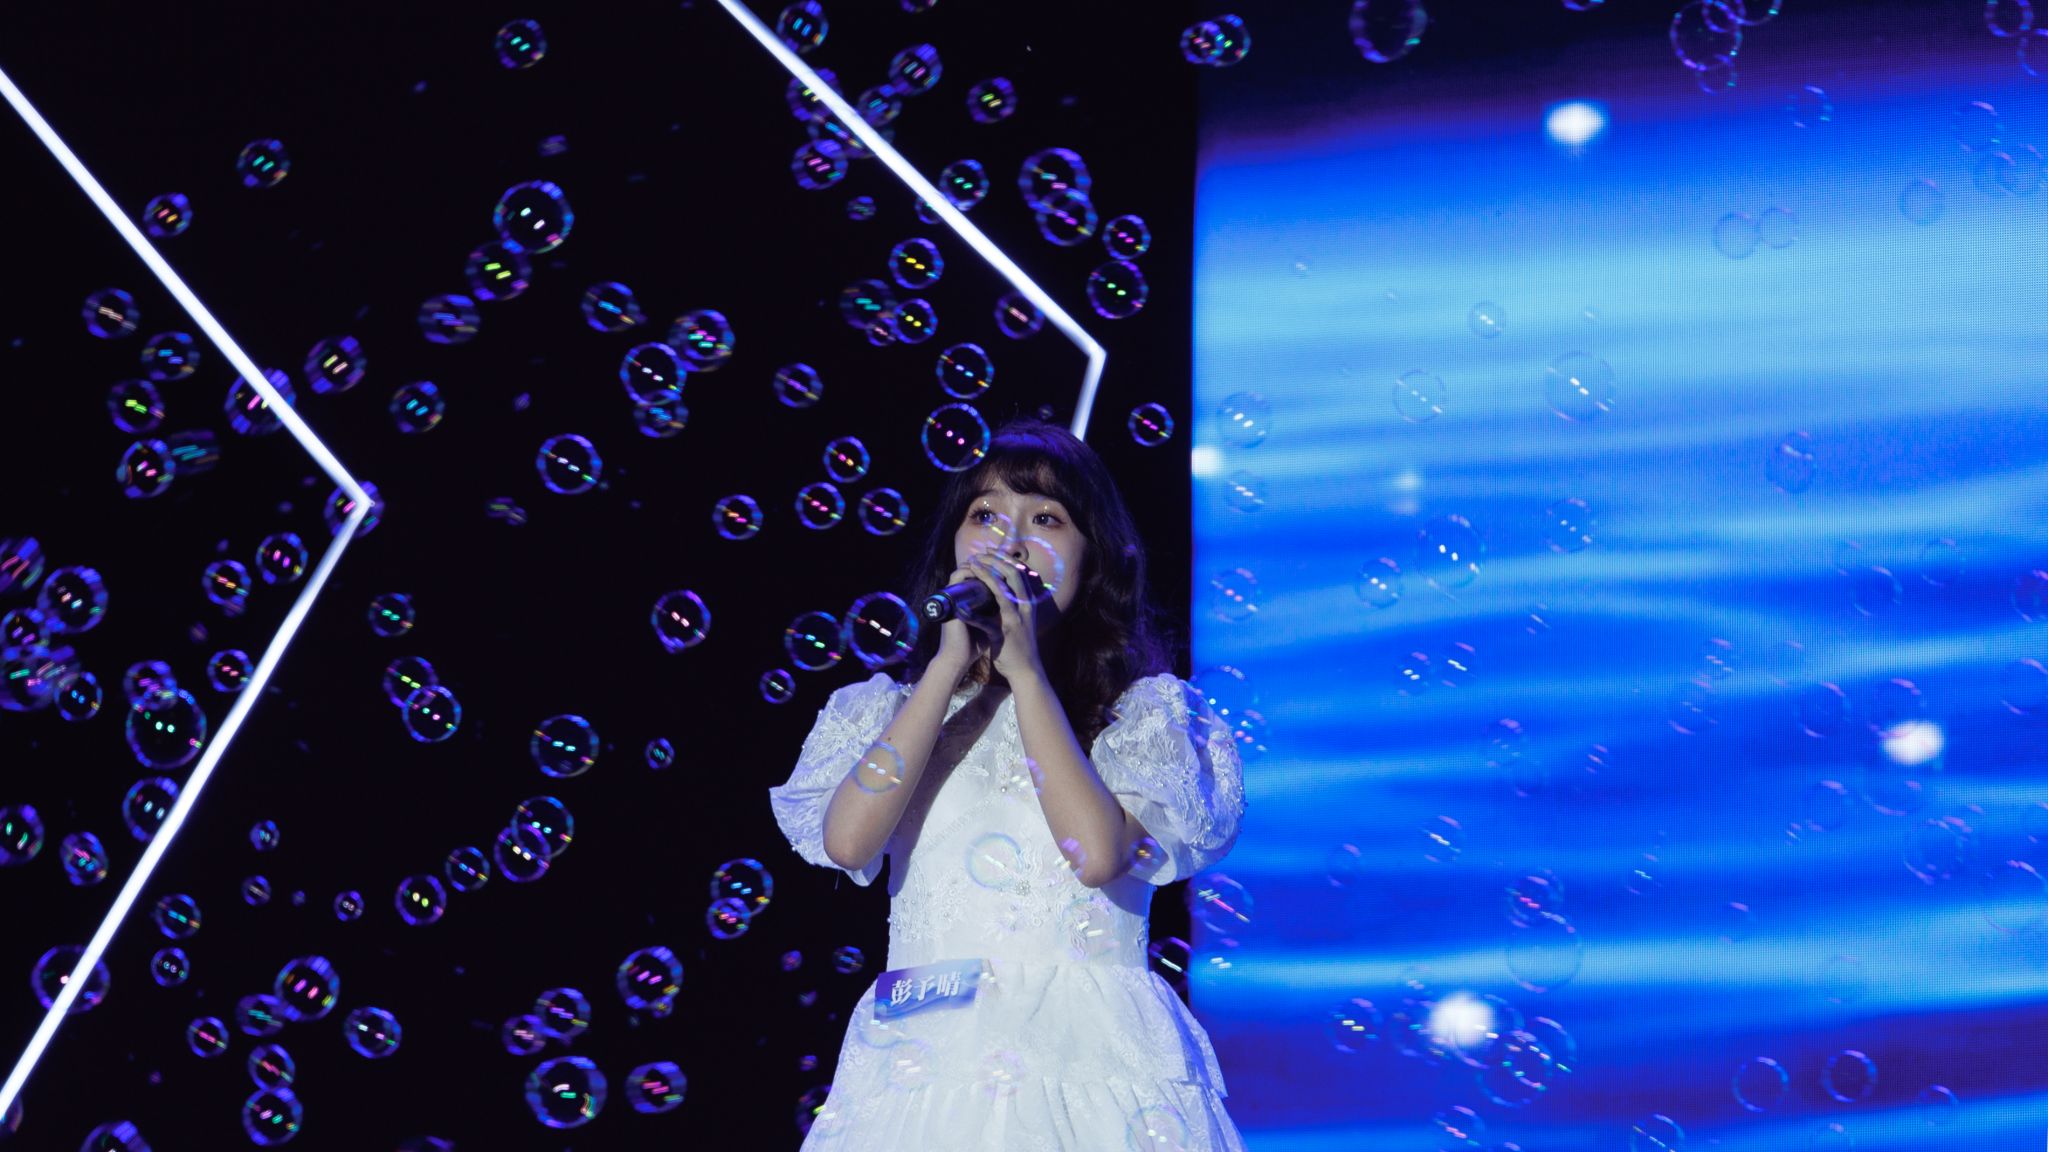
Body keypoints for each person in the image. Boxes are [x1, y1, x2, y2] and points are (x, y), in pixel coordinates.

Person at [768, 417, 1248, 1151]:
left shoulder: (1142, 717)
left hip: (1086, 1066)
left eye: (1046, 519)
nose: (1009, 541)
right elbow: (847, 842)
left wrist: (1025, 673)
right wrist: (943, 667)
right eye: (985, 515)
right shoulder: (889, 715)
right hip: (923, 1066)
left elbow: (1096, 855)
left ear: (1095, 559)